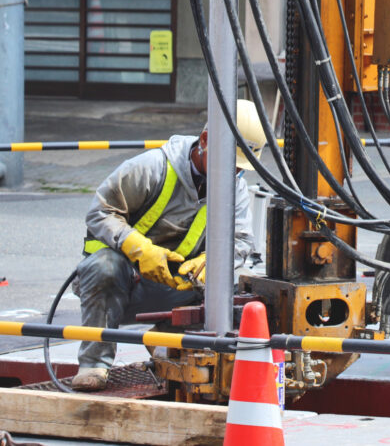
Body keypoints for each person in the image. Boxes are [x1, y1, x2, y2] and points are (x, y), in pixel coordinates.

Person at [70, 100, 267, 391]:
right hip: (124, 281)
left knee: (221, 284)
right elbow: (101, 211)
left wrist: (209, 264)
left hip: (173, 284)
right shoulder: (151, 167)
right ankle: (94, 364)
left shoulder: (234, 187)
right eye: (229, 164)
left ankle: (165, 347)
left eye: (240, 169)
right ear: (205, 141)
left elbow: (240, 240)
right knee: (104, 267)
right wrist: (139, 249)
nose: (233, 175)